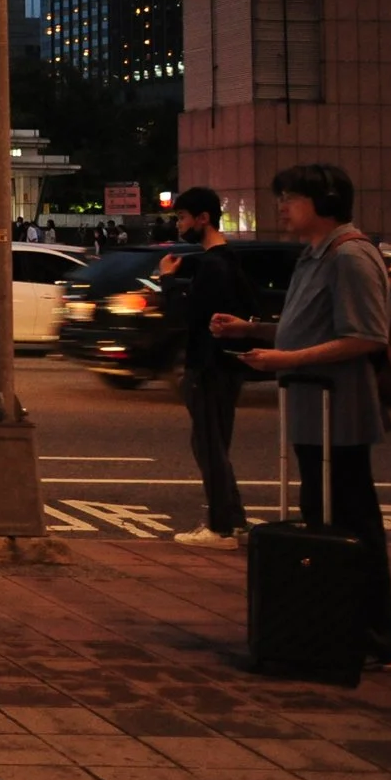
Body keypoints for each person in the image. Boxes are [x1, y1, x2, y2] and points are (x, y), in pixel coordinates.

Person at [211, 162, 391, 669]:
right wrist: (250, 331)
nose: (282, 207)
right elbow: (307, 327)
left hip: (339, 413)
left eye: (291, 198)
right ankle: (336, 624)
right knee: (322, 521)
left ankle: (376, 636)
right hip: (310, 411)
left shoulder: (351, 257)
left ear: (325, 202)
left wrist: (286, 361)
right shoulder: (315, 257)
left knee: (353, 522)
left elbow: (366, 336)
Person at [163, 186, 252, 547]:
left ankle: (221, 526)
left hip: (209, 367)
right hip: (226, 367)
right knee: (213, 444)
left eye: (182, 218)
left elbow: (188, 317)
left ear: (203, 218)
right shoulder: (229, 261)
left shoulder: (213, 265)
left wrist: (168, 281)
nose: (179, 226)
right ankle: (233, 518)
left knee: (208, 445)